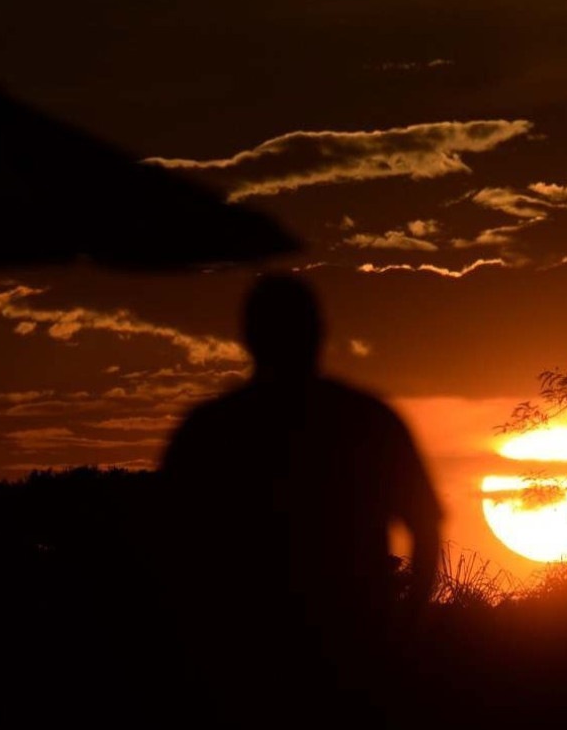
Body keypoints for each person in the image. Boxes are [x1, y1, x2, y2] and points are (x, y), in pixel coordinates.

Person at [157, 273, 442, 728]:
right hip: (343, 657)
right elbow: (426, 530)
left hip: (246, 665)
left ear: (248, 337)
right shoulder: (368, 420)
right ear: (321, 331)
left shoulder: (211, 431)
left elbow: (168, 549)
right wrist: (405, 631)